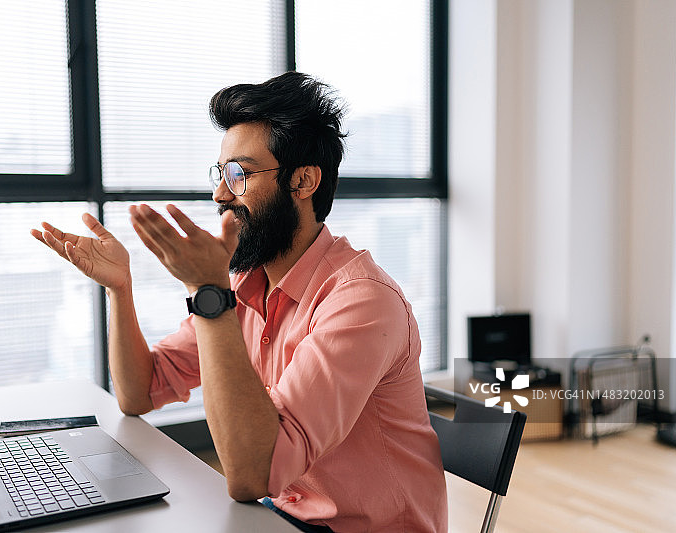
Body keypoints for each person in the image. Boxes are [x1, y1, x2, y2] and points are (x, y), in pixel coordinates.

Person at [32, 72, 447, 533]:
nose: (220, 194)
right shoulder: (247, 283)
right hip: (281, 517)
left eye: (240, 175)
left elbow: (253, 474)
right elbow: (138, 391)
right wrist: (120, 289)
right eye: (221, 173)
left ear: (304, 181)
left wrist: (209, 296)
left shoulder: (361, 302)